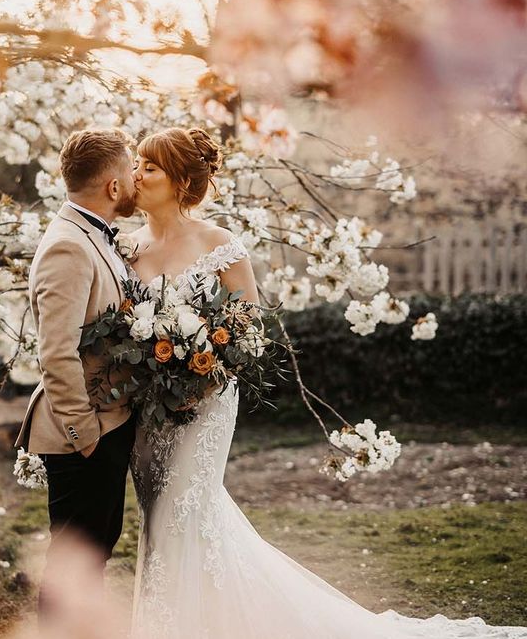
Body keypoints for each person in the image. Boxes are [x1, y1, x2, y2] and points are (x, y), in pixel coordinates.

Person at [127, 126, 527, 639]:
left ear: (181, 181)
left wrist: (203, 354)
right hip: (150, 406)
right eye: (136, 162)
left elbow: (249, 329)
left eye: (149, 166)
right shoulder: (127, 247)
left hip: (204, 399)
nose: (135, 173)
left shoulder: (220, 245)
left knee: (185, 509)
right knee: (157, 515)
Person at [14, 128, 138, 618]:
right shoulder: (68, 246)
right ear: (112, 187)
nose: (134, 182)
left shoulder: (94, 236)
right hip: (83, 432)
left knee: (95, 552)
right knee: (73, 563)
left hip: (106, 424)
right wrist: (83, 431)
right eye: (130, 173)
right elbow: (56, 353)